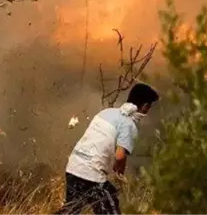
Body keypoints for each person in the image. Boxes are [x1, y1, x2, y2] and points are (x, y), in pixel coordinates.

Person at [55, 83, 159, 215]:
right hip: (91, 175)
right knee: (110, 207)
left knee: (71, 210)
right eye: (149, 106)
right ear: (145, 106)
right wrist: (119, 171)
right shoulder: (129, 125)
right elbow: (120, 156)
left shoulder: (106, 112)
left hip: (74, 167)